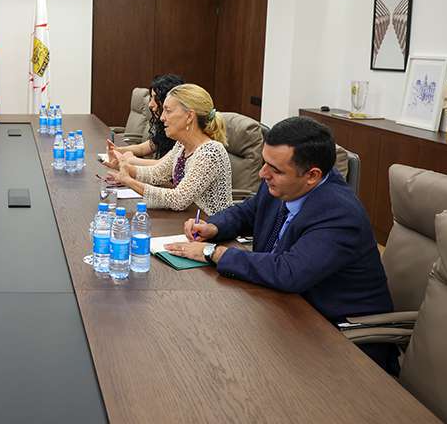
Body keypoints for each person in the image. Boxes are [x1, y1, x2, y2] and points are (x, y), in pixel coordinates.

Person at [165, 116, 397, 373]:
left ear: (312, 175)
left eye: (274, 169)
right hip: (283, 311)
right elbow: (249, 211)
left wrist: (214, 252)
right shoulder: (284, 182)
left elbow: (289, 271)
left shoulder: (339, 214)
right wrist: (214, 227)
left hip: (339, 340)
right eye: (264, 162)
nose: (263, 173)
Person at [105, 83, 232, 215]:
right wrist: (124, 167)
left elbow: (178, 199)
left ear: (189, 116)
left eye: (168, 111)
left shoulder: (210, 152)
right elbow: (157, 173)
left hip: (211, 224)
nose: (162, 117)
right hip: (188, 219)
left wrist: (129, 181)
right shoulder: (181, 145)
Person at [104, 73, 184, 169]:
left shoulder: (181, 134)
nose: (150, 104)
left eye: (156, 98)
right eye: (151, 98)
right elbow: (143, 148)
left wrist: (131, 160)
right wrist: (117, 150)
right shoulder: (165, 126)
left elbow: (164, 167)